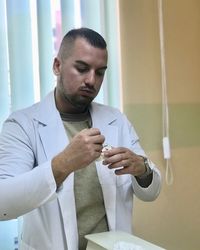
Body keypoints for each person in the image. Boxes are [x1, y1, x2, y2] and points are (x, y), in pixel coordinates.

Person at [0, 28, 161, 250]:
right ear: (57, 66)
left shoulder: (116, 120)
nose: (91, 80)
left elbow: (151, 191)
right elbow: (3, 203)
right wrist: (63, 163)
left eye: (100, 72)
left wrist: (143, 169)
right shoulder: (22, 124)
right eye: (82, 68)